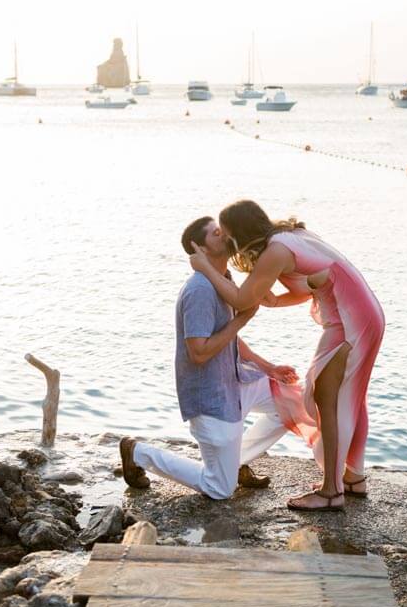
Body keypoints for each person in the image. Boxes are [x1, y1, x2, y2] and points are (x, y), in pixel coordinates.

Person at [190, 200, 385, 512]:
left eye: (228, 236)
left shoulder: (276, 252)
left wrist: (206, 269)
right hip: (361, 314)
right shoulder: (286, 237)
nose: (227, 243)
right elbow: (314, 284)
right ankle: (352, 478)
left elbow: (241, 299)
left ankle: (332, 492)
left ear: (241, 234)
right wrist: (276, 302)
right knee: (350, 397)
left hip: (350, 321)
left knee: (328, 399)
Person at [119, 215, 303, 500]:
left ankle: (237, 461)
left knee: (292, 402)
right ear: (201, 250)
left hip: (236, 382)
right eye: (217, 233)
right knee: (219, 488)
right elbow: (199, 352)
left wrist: (269, 368)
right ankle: (139, 452)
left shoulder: (223, 280)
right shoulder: (200, 291)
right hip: (212, 398)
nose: (225, 233)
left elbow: (229, 337)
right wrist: (242, 319)